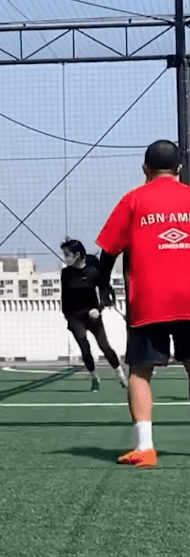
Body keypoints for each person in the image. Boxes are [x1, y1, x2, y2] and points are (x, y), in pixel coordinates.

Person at [96, 139, 190, 468]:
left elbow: (108, 251)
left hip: (149, 300)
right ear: (179, 169)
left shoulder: (134, 199)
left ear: (145, 169)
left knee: (139, 372)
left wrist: (103, 286)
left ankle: (145, 448)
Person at [60, 238, 128, 392]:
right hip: (74, 316)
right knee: (84, 346)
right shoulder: (66, 273)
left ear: (77, 255)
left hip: (93, 315)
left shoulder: (93, 272)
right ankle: (94, 378)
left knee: (104, 346)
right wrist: (67, 316)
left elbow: (105, 293)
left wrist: (99, 309)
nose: (65, 258)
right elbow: (64, 298)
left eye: (67, 255)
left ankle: (120, 374)